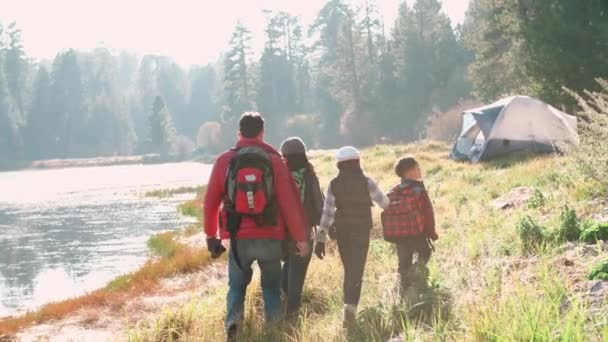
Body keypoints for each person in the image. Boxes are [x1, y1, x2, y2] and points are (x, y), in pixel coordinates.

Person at [203, 112, 309, 340]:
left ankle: (233, 325)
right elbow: (289, 202)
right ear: (262, 132)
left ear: (239, 133)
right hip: (271, 235)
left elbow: (211, 200)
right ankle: (273, 331)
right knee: (271, 288)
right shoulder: (275, 161)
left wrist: (211, 235)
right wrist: (301, 237)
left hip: (239, 237)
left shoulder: (224, 161)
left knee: (236, 287)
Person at [314, 146, 389, 328]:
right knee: (357, 269)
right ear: (357, 161)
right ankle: (350, 307)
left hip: (342, 230)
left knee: (349, 268)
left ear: (339, 164)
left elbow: (327, 213)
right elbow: (384, 203)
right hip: (361, 229)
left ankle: (348, 306)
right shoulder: (366, 181)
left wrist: (320, 240)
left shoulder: (334, 183)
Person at [381, 156, 438, 299]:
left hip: (399, 235)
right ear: (409, 172)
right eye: (417, 168)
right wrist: (431, 232)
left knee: (403, 263)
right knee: (425, 252)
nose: (420, 170)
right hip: (416, 232)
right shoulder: (418, 190)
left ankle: (403, 292)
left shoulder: (394, 190)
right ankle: (418, 278)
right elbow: (427, 213)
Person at [279, 137, 325, 317]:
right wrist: (324, 230)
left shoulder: (279, 174)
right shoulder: (310, 174)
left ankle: (283, 301)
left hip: (281, 231)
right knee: (297, 272)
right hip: (304, 231)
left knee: (288, 264)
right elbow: (320, 204)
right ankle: (292, 312)